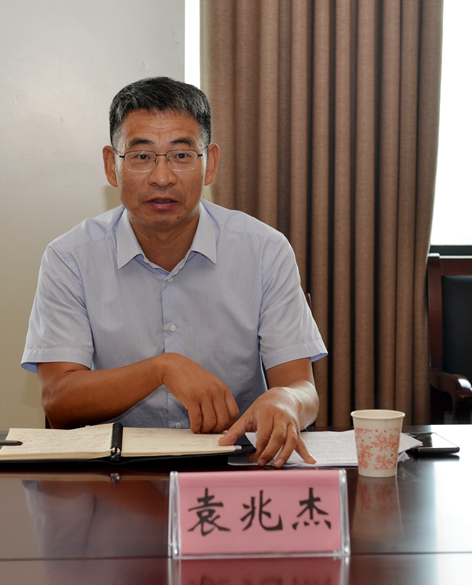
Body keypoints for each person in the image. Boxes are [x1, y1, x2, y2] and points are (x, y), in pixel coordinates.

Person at [22, 77, 327, 468]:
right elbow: (58, 400)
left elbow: (302, 388)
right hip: (115, 475)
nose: (162, 177)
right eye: (142, 156)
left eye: (181, 155)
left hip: (233, 467)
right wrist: (162, 368)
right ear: (112, 166)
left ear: (210, 163)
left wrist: (285, 400)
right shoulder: (70, 258)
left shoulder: (264, 250)